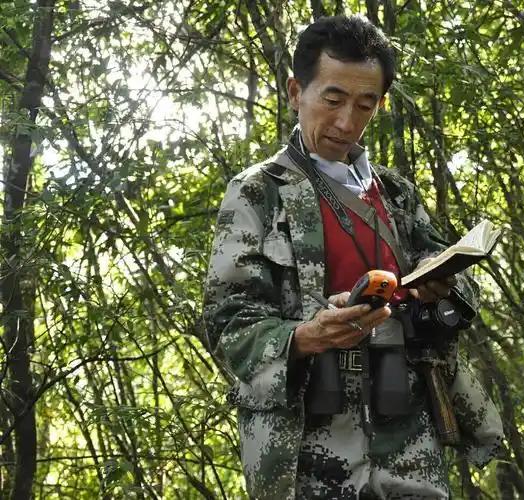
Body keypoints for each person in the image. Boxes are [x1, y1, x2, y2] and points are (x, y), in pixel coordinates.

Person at [203, 15, 504, 500]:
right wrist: (306, 336)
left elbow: (459, 294)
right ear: (295, 91)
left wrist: (442, 291)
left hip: (408, 430)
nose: (347, 122)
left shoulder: (396, 195)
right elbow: (228, 323)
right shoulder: (259, 192)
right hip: (308, 443)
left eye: (365, 105)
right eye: (333, 99)